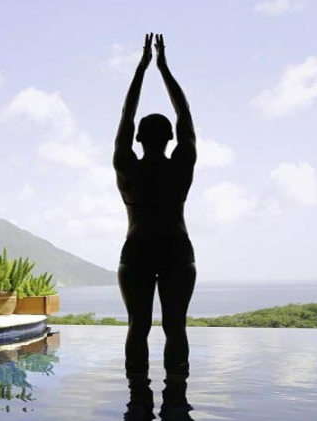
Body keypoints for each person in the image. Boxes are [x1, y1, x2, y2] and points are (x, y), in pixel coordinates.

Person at [115, 33, 198, 375]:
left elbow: (126, 113)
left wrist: (142, 68)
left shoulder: (127, 166)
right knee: (175, 326)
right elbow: (185, 113)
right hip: (176, 249)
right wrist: (163, 68)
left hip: (137, 250)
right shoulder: (180, 165)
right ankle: (177, 400)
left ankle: (137, 400)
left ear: (137, 137)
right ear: (170, 138)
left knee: (138, 326)